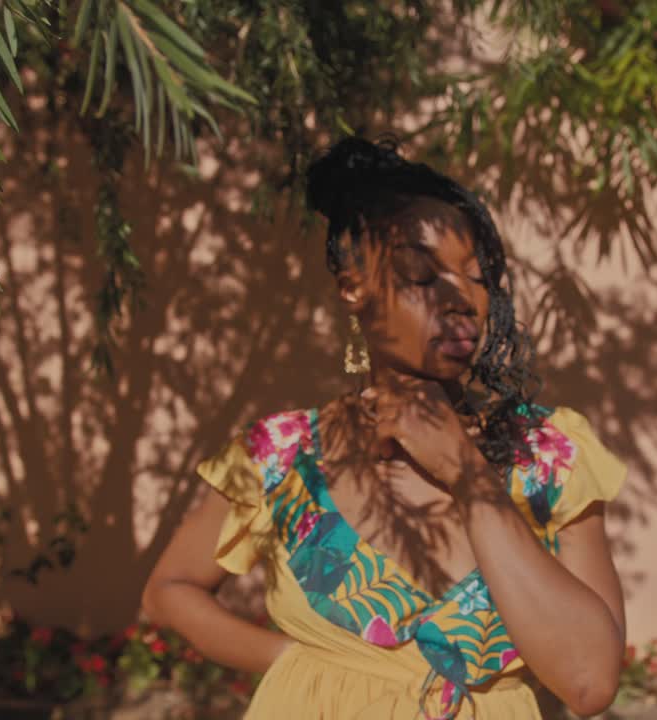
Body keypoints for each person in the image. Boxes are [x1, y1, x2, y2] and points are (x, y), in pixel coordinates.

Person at [142, 136, 627, 719]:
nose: (460, 299)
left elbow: (590, 682)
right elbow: (169, 591)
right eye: (423, 278)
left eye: (476, 277)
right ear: (354, 289)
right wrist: (296, 663)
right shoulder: (282, 457)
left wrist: (467, 473)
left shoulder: (547, 455)